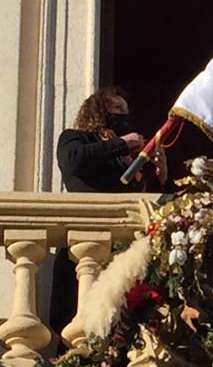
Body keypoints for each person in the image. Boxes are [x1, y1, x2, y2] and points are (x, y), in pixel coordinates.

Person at [47, 87, 160, 339]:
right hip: (82, 242)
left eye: (126, 112)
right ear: (98, 110)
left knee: (121, 318)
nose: (123, 116)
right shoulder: (75, 138)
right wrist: (120, 143)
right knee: (76, 318)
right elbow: (72, 162)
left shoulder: (123, 159)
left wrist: (153, 170)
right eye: (117, 109)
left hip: (121, 245)